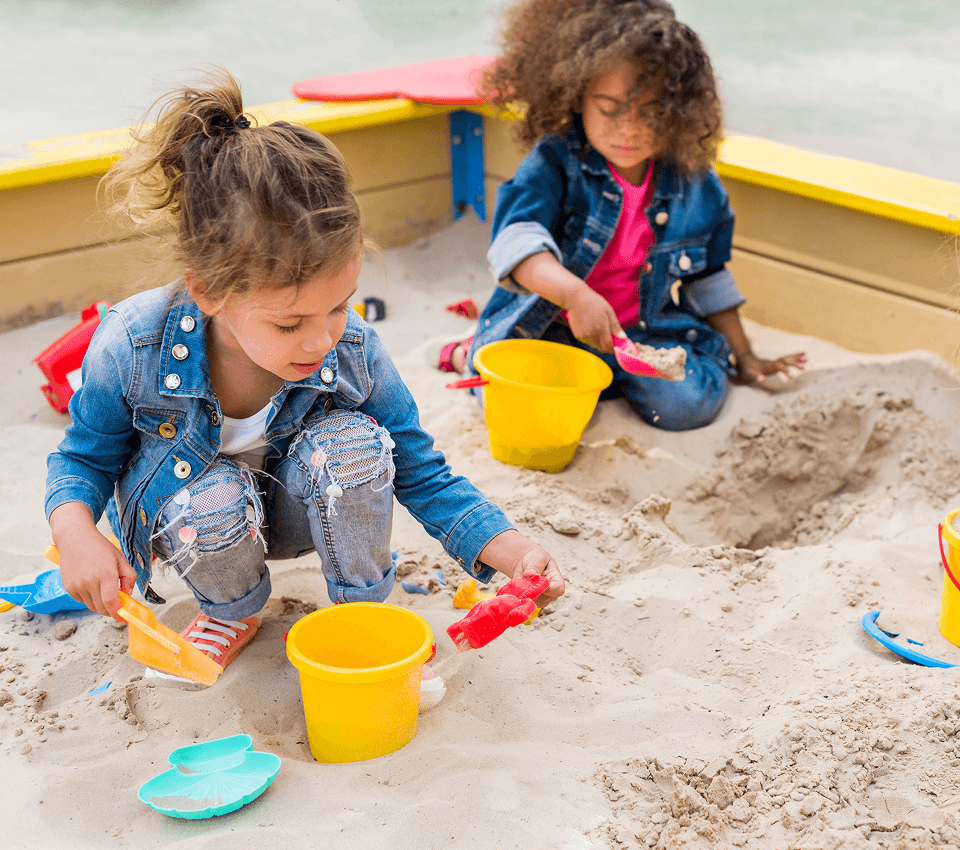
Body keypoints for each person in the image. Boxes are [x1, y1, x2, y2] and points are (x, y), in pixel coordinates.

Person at [45, 69, 564, 695]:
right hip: (198, 521)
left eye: (340, 305)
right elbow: (82, 459)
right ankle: (232, 612)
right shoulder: (133, 342)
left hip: (301, 510)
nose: (321, 341)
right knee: (210, 499)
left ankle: (362, 606)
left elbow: (422, 471)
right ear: (209, 292)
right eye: (290, 323)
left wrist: (508, 550)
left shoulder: (349, 349)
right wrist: (75, 533)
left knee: (355, 445)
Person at [439, 0, 805, 430]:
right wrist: (575, 296)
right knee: (518, 406)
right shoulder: (555, 163)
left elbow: (709, 278)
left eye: (649, 114)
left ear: (679, 111)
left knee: (691, 406)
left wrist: (745, 357)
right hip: (552, 327)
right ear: (576, 97)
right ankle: (468, 352)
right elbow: (516, 242)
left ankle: (609, 378)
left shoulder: (694, 182)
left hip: (641, 332)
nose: (628, 130)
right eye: (609, 109)